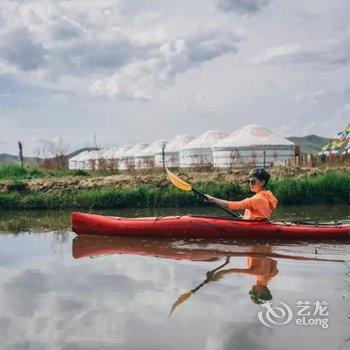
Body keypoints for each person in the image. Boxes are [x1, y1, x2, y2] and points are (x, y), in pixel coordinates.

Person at [205, 168, 278, 220]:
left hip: (255, 227)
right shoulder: (268, 196)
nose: (250, 184)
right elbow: (259, 215)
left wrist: (213, 199)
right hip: (261, 224)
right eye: (249, 181)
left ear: (262, 182)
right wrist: (244, 217)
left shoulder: (256, 199)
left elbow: (231, 205)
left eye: (253, 182)